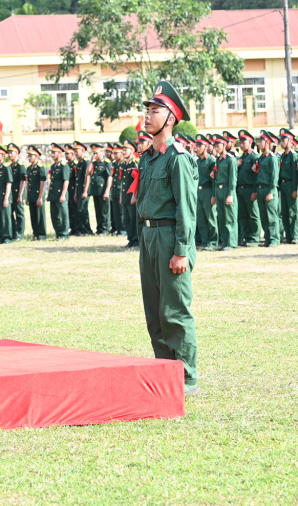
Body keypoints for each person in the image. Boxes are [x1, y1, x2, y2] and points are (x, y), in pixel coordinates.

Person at [136, 80, 198, 395]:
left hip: (169, 239)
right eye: (147, 109)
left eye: (155, 110)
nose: (148, 115)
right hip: (148, 238)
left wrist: (182, 251)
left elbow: (187, 209)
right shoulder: (148, 158)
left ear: (170, 118)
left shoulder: (178, 157)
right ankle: (165, 374)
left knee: (174, 310)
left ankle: (186, 379)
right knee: (155, 313)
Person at [235, 130, 261, 246]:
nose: (241, 145)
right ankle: (246, 237)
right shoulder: (240, 158)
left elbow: (257, 176)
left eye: (243, 142)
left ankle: (254, 238)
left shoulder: (255, 157)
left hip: (250, 189)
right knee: (243, 215)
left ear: (250, 142)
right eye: (239, 143)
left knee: (253, 214)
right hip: (241, 189)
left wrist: (255, 191)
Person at [255, 130, 281, 247]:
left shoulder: (273, 158)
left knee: (271, 215)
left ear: (267, 143)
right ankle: (267, 238)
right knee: (263, 216)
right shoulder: (261, 158)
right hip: (260, 189)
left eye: (261, 142)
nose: (258, 144)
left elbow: (274, 177)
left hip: (269, 189)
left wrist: (271, 191)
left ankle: (274, 239)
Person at [212, 134, 237, 250]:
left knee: (229, 218)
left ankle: (231, 243)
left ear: (224, 145)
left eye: (218, 146)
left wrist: (231, 194)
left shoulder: (230, 159)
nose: (216, 148)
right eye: (215, 146)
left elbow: (233, 178)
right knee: (221, 218)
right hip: (218, 189)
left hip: (227, 189)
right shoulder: (218, 160)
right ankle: (225, 242)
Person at [278, 129, 298, 244]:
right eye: (281, 140)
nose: (281, 142)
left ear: (290, 141)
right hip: (283, 185)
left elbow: (295, 174)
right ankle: (288, 235)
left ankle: (296, 236)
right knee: (285, 212)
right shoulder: (283, 156)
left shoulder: (293, 156)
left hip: (291, 185)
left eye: (284, 140)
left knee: (293, 211)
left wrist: (294, 189)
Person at [195, 135, 218, 251]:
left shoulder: (211, 161)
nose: (197, 148)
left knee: (211, 217)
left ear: (206, 146)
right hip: (199, 192)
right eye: (197, 146)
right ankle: (205, 242)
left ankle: (213, 242)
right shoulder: (197, 161)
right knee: (201, 218)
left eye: (200, 146)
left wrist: (214, 195)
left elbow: (214, 180)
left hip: (208, 190)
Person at [0, 146, 14, 244]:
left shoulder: (6, 167)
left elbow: (9, 183)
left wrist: (6, 198)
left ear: (3, 156)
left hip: (4, 197)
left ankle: (7, 237)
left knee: (6, 219)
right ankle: (1, 237)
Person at [47, 144, 70, 240]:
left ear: (60, 153)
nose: (52, 155)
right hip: (53, 194)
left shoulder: (64, 166)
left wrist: (63, 194)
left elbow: (66, 181)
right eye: (51, 153)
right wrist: (48, 194)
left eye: (54, 153)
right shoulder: (53, 166)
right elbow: (51, 181)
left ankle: (64, 234)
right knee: (54, 215)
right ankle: (58, 233)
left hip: (61, 194)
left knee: (63, 215)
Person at [88, 144, 113, 234]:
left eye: (96, 153)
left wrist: (107, 191)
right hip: (95, 190)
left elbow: (109, 177)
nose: (95, 155)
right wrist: (91, 161)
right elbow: (88, 172)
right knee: (98, 211)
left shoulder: (106, 162)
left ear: (101, 152)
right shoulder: (94, 163)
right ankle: (99, 228)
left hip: (103, 191)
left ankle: (105, 229)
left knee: (104, 211)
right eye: (93, 153)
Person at [25, 146, 48, 240]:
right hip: (31, 195)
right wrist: (27, 197)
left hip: (38, 195)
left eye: (31, 156)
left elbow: (42, 183)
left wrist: (40, 197)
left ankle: (42, 234)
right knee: (33, 216)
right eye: (29, 156)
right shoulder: (29, 168)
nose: (29, 157)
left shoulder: (40, 168)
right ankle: (35, 234)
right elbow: (28, 183)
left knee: (40, 216)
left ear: (36, 156)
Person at [8, 144, 27, 241]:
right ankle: (13, 233)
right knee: (10, 214)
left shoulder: (20, 166)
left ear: (17, 153)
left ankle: (19, 234)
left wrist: (20, 195)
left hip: (18, 194)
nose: (10, 154)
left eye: (12, 152)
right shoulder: (9, 166)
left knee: (19, 214)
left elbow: (23, 181)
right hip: (10, 194)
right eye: (9, 152)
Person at [73, 141, 93, 235]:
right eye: (75, 151)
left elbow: (87, 176)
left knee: (82, 209)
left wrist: (85, 191)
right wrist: (76, 193)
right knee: (79, 210)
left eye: (77, 151)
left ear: (83, 151)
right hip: (80, 189)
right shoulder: (79, 163)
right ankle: (82, 229)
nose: (75, 153)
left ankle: (88, 230)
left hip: (85, 189)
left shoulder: (86, 162)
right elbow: (77, 179)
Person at [108, 143, 124, 237]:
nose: (114, 155)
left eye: (116, 153)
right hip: (114, 191)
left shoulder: (123, 164)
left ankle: (123, 230)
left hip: (121, 191)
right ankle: (118, 229)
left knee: (121, 212)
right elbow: (112, 177)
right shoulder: (114, 164)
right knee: (115, 212)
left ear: (121, 153)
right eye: (113, 153)